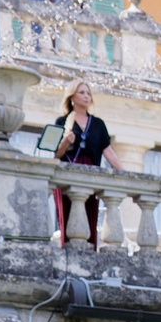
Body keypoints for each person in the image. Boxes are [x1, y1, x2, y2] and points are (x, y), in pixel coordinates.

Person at [42, 80, 113, 249]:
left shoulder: (98, 124)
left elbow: (108, 151)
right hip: (67, 173)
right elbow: (55, 154)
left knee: (90, 215)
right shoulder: (61, 121)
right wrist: (66, 142)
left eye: (88, 93)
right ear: (72, 96)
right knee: (67, 215)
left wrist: (124, 173)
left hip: (90, 173)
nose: (86, 96)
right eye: (81, 92)